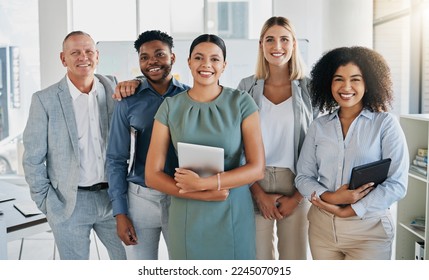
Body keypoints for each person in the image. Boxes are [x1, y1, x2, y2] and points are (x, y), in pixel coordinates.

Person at [145, 34, 265, 260]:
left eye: (214, 59)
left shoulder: (241, 103)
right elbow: (152, 175)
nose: (206, 64)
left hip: (232, 208)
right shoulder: (170, 107)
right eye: (199, 57)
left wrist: (205, 184)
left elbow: (257, 168)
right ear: (189, 62)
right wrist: (201, 194)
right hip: (187, 212)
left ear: (224, 65)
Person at [295, 46, 409, 260]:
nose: (346, 87)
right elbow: (303, 176)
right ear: (328, 83)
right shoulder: (319, 126)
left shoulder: (385, 124)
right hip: (322, 230)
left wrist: (352, 209)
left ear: (369, 83)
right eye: (338, 79)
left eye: (355, 79)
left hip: (369, 231)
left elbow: (397, 183)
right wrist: (331, 197)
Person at [22, 31, 126, 260]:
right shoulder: (44, 100)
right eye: (75, 52)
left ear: (97, 56)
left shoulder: (116, 89)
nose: (83, 57)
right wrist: (47, 203)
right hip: (69, 204)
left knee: (130, 262)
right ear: (63, 59)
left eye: (89, 51)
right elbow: (33, 159)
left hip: (114, 199)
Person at [106, 30, 190, 260]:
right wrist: (120, 213)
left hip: (180, 198)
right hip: (140, 200)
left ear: (173, 58)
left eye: (159, 54)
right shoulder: (128, 101)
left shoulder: (190, 97)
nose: (152, 61)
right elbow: (115, 159)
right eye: (144, 57)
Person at [237, 16, 314, 260]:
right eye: (270, 39)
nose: (277, 46)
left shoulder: (310, 89)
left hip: (296, 183)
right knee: (259, 260)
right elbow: (235, 143)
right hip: (254, 181)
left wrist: (298, 197)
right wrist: (258, 193)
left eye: (284, 39)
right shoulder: (246, 87)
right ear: (261, 44)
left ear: (293, 44)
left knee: (295, 259)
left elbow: (319, 145)